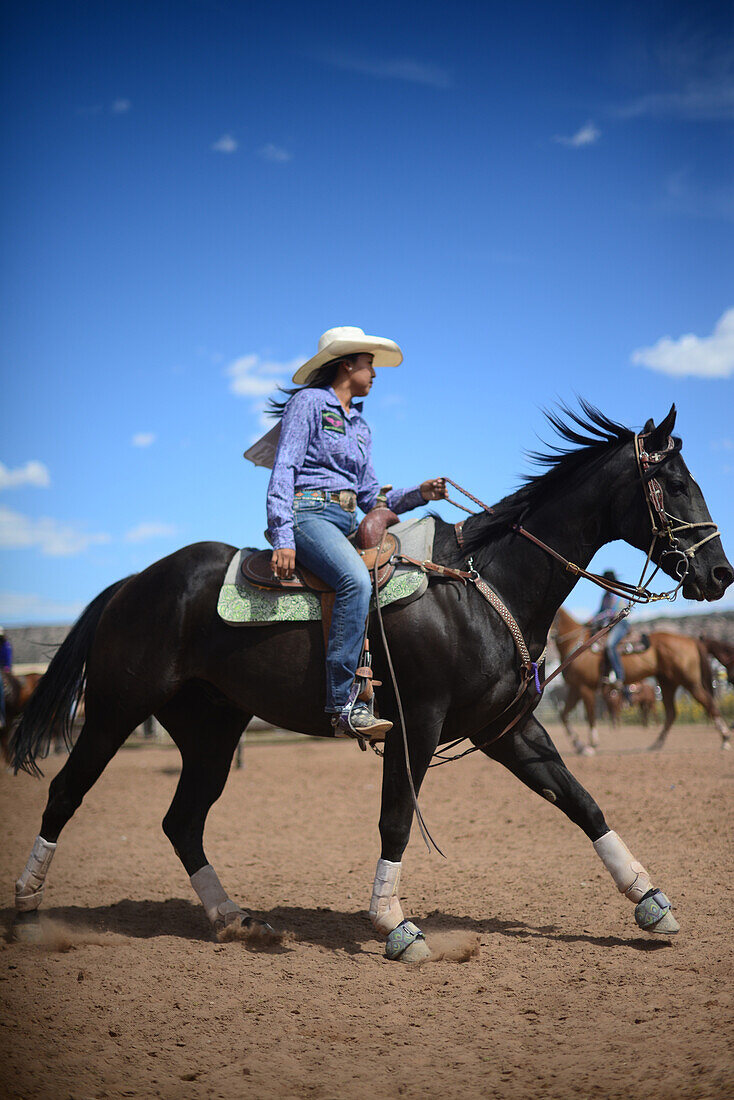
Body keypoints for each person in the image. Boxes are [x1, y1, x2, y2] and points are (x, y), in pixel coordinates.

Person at [266, 326, 446, 740]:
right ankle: (344, 703)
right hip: (309, 514)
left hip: (349, 517)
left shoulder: (361, 425)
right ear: (347, 364)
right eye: (370, 365)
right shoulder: (309, 402)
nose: (375, 375)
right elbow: (285, 468)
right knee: (352, 581)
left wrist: (419, 493)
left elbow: (370, 495)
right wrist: (283, 535)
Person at [590, 572, 629, 696]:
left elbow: (611, 613)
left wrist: (594, 619)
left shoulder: (617, 594)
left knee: (610, 645)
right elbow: (600, 611)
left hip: (620, 623)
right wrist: (593, 619)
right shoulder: (605, 596)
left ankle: (619, 676)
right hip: (608, 624)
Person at [0, 627, 12, 730]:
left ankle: (1, 716)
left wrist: (5, 669)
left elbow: (7, 661)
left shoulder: (5, 646)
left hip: (3, 671)